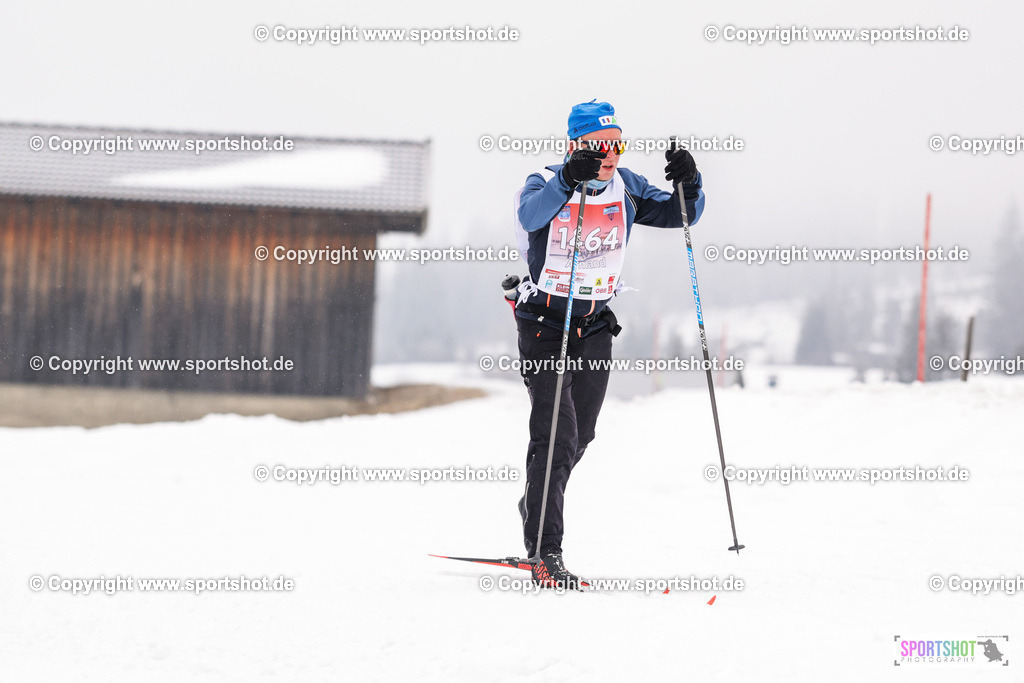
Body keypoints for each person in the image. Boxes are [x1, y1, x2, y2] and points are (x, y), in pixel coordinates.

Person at [510, 100, 705, 589]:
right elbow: (532, 216)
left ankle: (537, 496)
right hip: (544, 324)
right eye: (599, 145)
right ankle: (544, 550)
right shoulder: (542, 180)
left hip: (594, 326)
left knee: (582, 435)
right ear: (575, 144)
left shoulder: (628, 187)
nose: (610, 153)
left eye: (617, 143)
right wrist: (567, 181)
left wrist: (691, 183)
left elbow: (683, 215)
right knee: (554, 437)